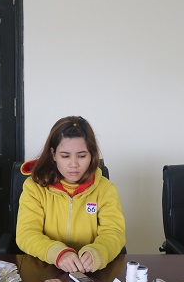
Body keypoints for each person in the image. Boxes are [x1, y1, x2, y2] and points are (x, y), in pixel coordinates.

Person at [16, 116, 126, 273]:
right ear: (53, 154)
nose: (73, 164)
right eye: (65, 156)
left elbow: (114, 233)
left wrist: (98, 252)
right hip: (44, 268)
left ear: (92, 155)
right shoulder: (34, 187)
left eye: (81, 156)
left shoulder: (105, 189)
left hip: (90, 271)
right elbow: (26, 234)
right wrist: (58, 253)